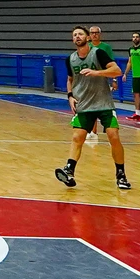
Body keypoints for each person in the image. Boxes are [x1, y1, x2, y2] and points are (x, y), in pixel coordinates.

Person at [55, 26, 130, 190]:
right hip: (84, 104)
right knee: (77, 137)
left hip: (103, 103)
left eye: (80, 34)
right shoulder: (70, 59)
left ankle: (121, 174)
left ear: (88, 37)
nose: (77, 37)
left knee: (113, 136)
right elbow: (69, 79)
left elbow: (116, 71)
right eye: (74, 35)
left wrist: (97, 73)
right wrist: (69, 96)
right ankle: (69, 171)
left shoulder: (98, 53)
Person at [85, 26, 118, 141]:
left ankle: (111, 131)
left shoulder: (106, 47)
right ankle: (93, 131)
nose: (94, 35)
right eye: (92, 33)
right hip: (88, 81)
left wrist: (114, 80)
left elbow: (112, 65)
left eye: (96, 33)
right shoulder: (86, 47)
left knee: (105, 106)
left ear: (100, 34)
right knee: (90, 105)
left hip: (103, 80)